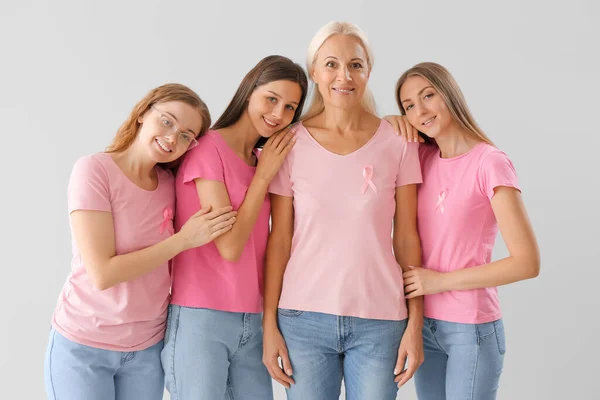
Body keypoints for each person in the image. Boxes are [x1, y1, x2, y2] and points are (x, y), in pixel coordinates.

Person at [263, 22, 424, 400]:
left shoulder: (398, 141)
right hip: (302, 320)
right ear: (315, 73)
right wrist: (269, 323)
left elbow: (407, 237)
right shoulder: (289, 144)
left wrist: (415, 322)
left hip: (381, 321)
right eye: (331, 64)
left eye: (356, 64)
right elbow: (279, 239)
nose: (344, 76)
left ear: (368, 72)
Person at [44, 83, 237, 400]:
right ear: (144, 113)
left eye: (187, 135)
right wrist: (182, 240)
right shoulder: (94, 171)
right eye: (167, 121)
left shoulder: (170, 185)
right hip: (84, 345)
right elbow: (102, 273)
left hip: (147, 351)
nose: (173, 137)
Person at [385, 61, 540, 399]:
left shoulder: (490, 162)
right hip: (422, 326)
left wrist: (440, 281)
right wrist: (388, 122)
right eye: (409, 106)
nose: (420, 110)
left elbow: (527, 262)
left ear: (450, 94)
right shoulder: (420, 158)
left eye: (428, 95)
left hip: (471, 328)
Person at [161, 55, 308, 399]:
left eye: (290, 107)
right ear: (249, 90)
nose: (277, 114)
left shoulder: (261, 160)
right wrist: (263, 177)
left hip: (251, 319)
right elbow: (228, 246)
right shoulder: (207, 148)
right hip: (201, 318)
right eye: (271, 99)